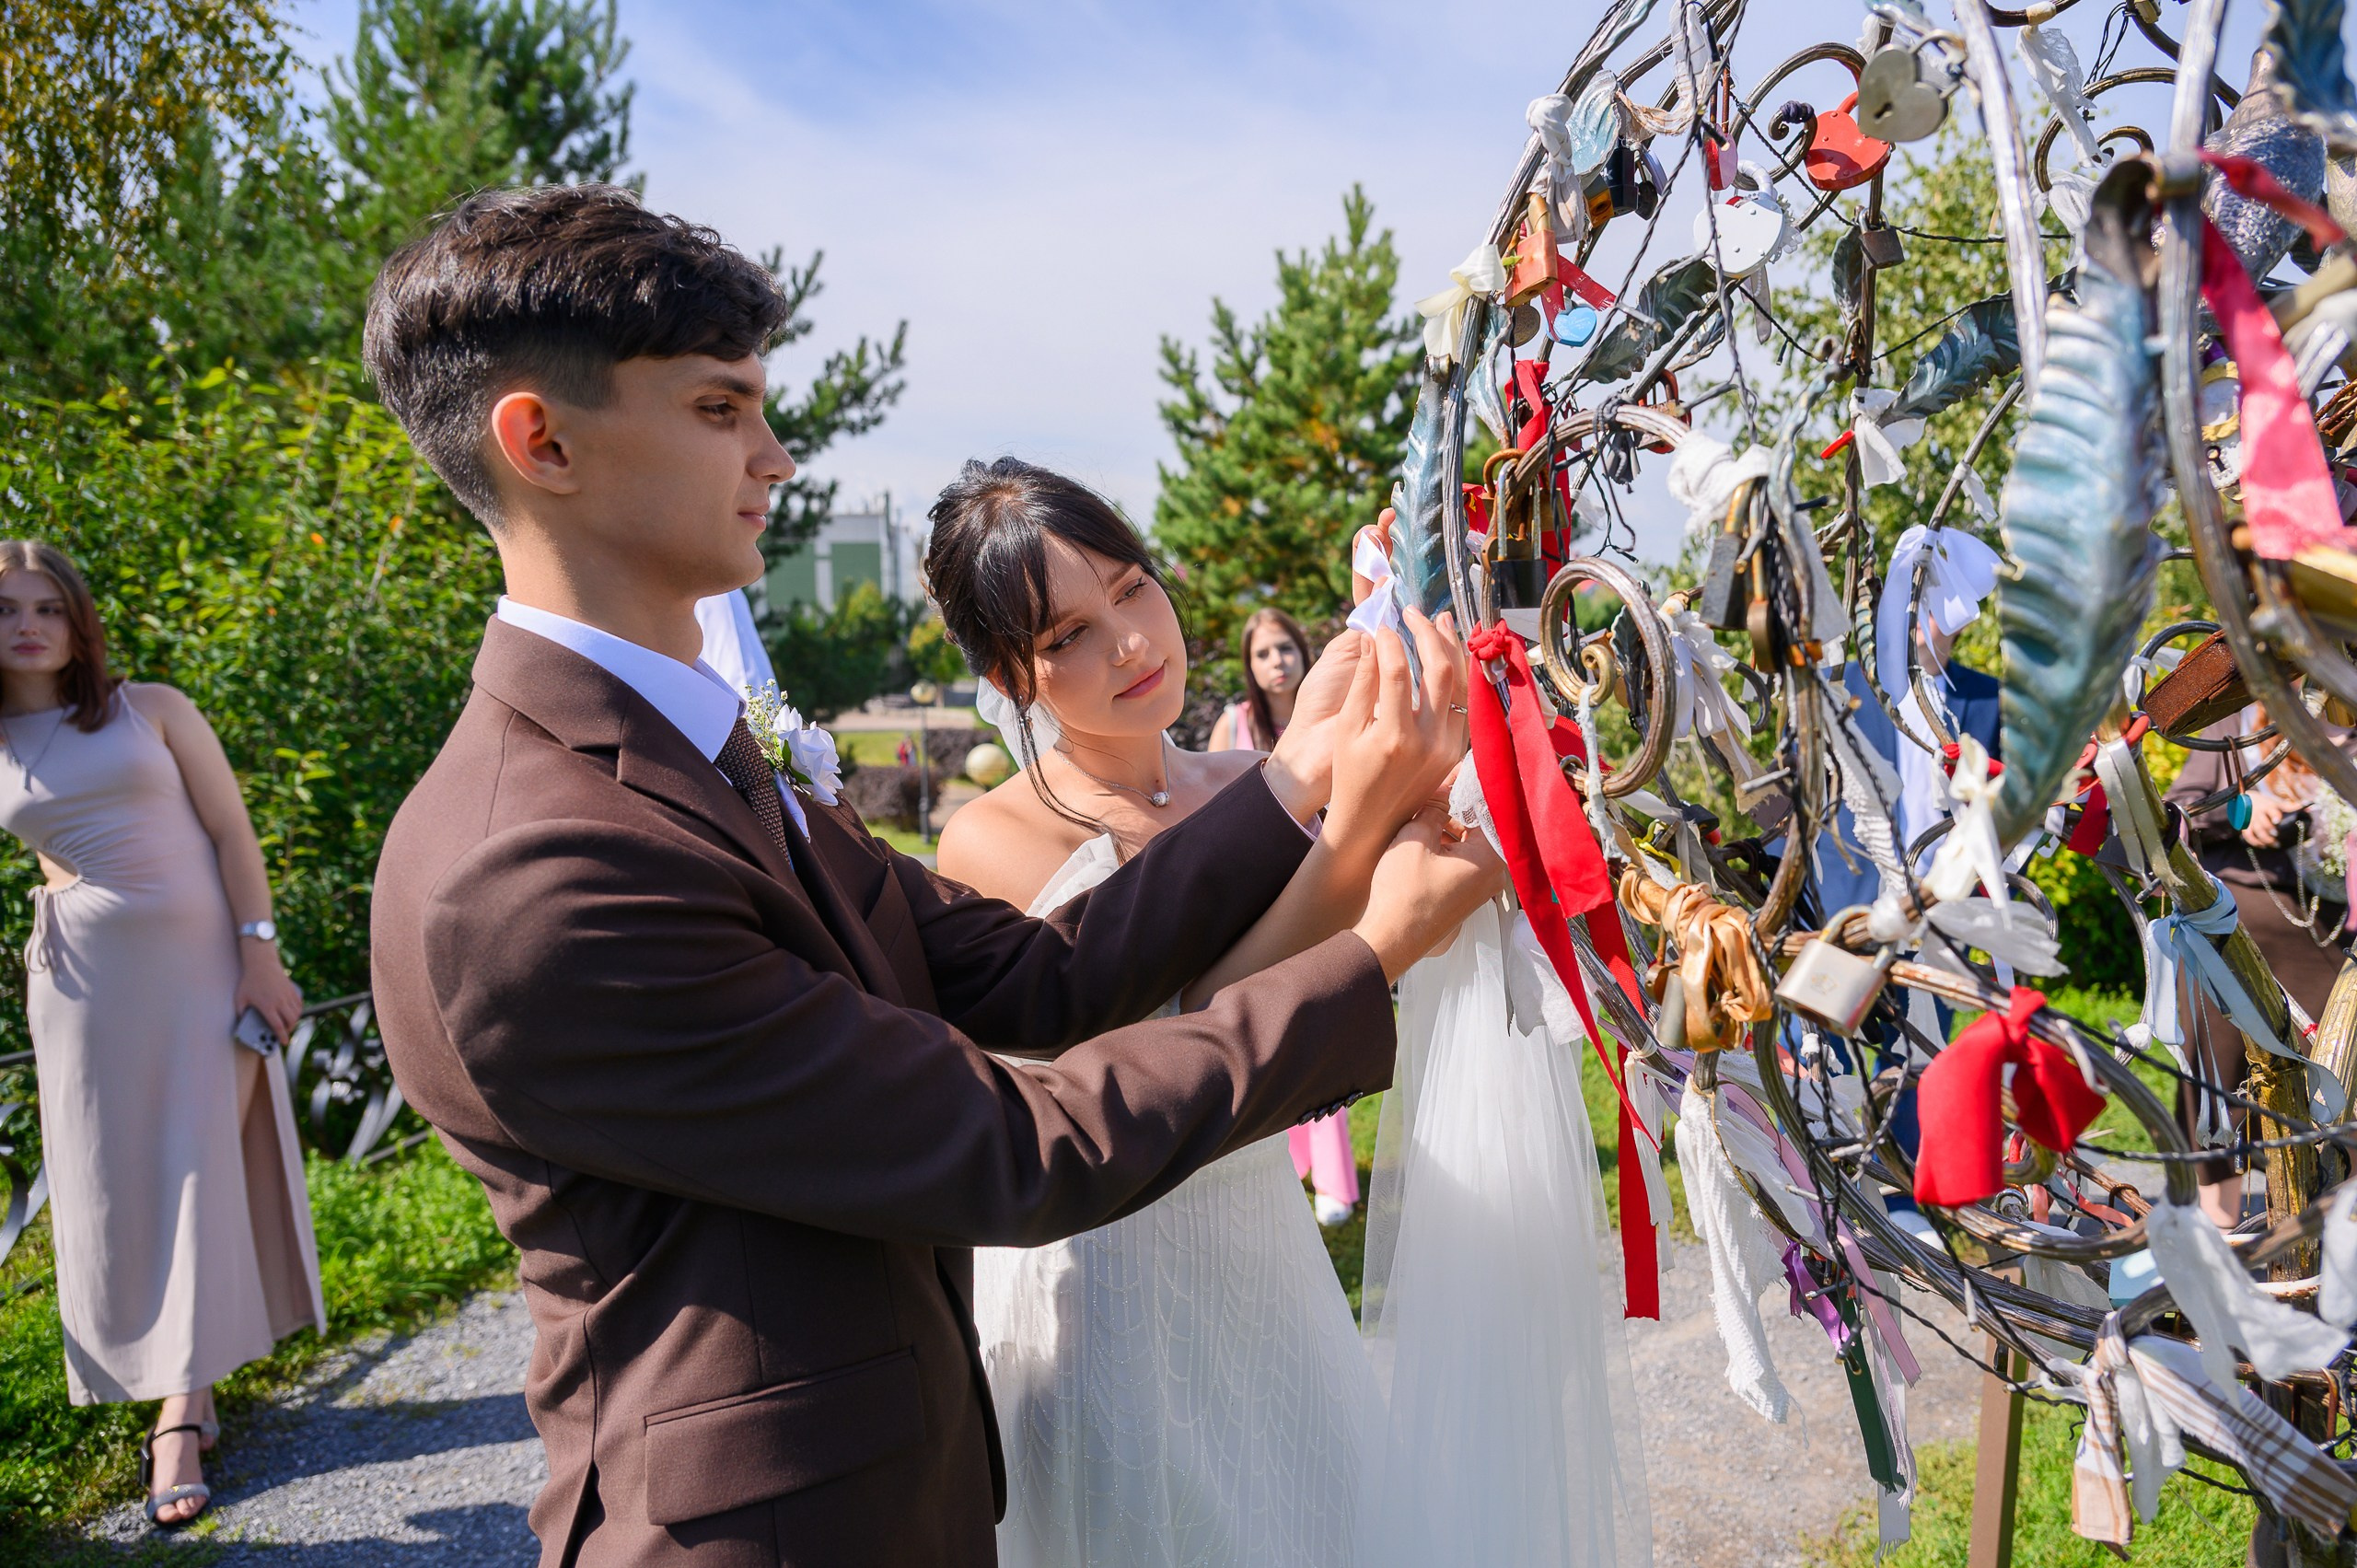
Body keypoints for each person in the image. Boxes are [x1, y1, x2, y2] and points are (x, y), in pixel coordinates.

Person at [361, 183, 1497, 1568]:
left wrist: (1288, 775)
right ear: (541, 442)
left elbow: (1040, 971)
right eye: (721, 410)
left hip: (900, 1484)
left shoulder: (700, 747)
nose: (776, 455)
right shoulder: (533, 867)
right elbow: (1007, 1145)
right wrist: (1368, 951)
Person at [934, 464, 1416, 1567]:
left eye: (1133, 588)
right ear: (1013, 672)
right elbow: (1179, 1033)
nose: (1130, 643)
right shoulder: (991, 839)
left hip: (1262, 1244)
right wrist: (1347, 837)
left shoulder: (1247, 774)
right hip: (1111, 1279)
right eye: (1069, 633)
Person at [0, 540, 323, 1527]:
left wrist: (259, 952)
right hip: (86, 987)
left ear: (78, 620)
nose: (27, 624)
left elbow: (230, 832)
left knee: (198, 1168)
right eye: (7, 608)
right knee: (122, 1183)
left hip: (204, 973)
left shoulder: (155, 707)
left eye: (48, 607)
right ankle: (189, 1377)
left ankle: (178, 1415)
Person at [2166, 705, 2352, 1226]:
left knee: (2336, 1078)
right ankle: (2217, 1226)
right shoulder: (2236, 720)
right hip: (2232, 925)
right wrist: (2241, 812)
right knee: (2212, 1075)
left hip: (2329, 938)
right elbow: (2177, 811)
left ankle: (2334, 1230)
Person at [1208, 607, 1360, 1225]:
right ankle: (1284, 1162)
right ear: (1250, 665)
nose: (1276, 662)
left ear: (1304, 653)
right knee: (1268, 1028)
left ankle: (1334, 1180)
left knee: (1323, 1020)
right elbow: (1212, 817)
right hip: (1256, 900)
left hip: (1324, 882)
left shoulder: (1332, 716)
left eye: (1285, 649)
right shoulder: (1234, 723)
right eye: (1263, 653)